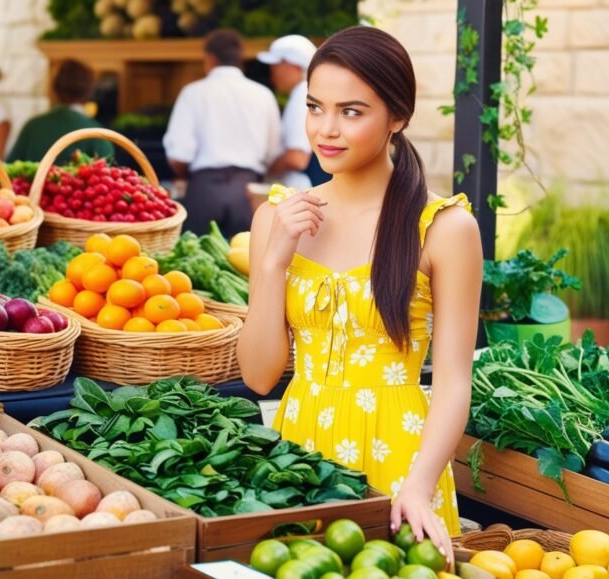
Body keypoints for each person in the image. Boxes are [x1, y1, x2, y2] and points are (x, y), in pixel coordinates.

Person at [236, 26, 482, 564]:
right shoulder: (276, 218)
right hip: (301, 454)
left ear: (397, 117)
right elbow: (258, 376)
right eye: (315, 107)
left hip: (403, 456)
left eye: (351, 111)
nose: (326, 130)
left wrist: (419, 485)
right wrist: (275, 258)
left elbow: (454, 382)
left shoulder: (444, 227)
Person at [163, 28, 281, 237]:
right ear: (240, 59)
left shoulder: (193, 93)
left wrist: (184, 176)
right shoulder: (263, 95)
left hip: (204, 190)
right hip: (249, 190)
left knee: (196, 260)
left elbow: (179, 154)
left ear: (209, 58)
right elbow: (273, 151)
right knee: (250, 262)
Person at [6, 59, 114, 164]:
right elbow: (110, 175)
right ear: (89, 91)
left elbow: (8, 171)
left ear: (54, 89)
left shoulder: (33, 127)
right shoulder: (97, 134)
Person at [257, 35, 317, 190]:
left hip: (300, 189)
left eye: (276, 65)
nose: (272, 73)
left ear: (294, 66)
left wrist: (268, 174)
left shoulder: (303, 94)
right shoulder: (304, 92)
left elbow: (296, 158)